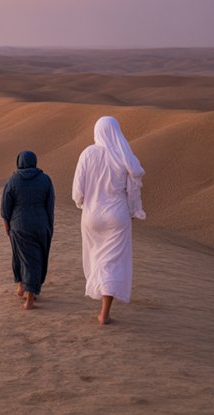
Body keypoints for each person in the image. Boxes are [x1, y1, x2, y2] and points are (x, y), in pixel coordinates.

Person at [72, 116, 146, 325]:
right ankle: (104, 312)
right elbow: (133, 190)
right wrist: (135, 211)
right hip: (117, 216)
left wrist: (84, 204)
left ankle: (101, 302)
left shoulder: (87, 154)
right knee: (112, 262)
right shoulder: (123, 156)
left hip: (91, 216)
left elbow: (77, 191)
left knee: (98, 257)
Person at [0, 150, 55, 310]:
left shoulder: (13, 180)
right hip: (40, 224)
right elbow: (50, 206)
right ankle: (24, 288)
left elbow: (5, 208)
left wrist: (8, 227)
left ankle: (28, 297)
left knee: (22, 257)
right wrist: (49, 226)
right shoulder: (45, 180)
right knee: (35, 259)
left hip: (19, 225)